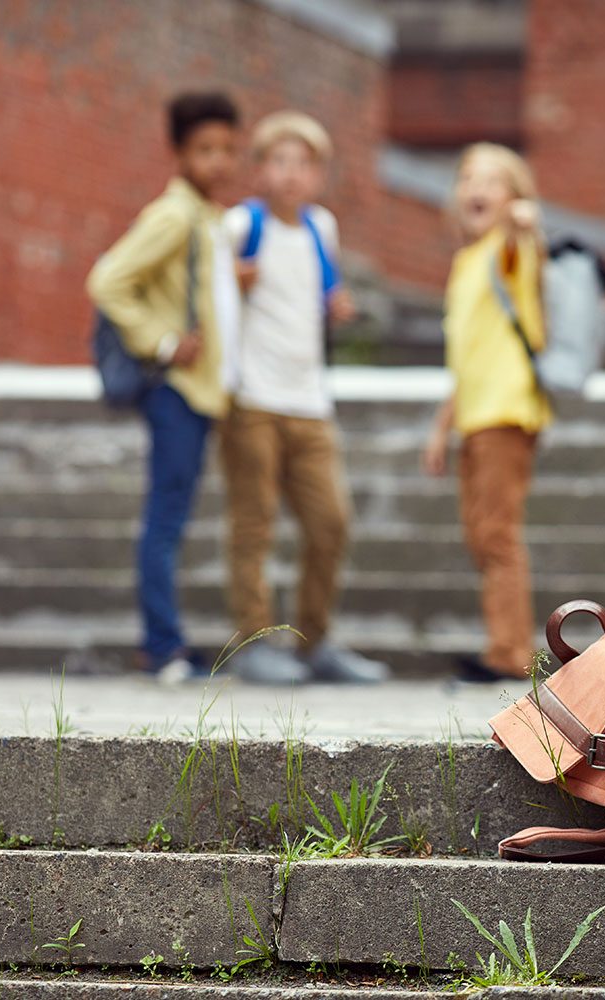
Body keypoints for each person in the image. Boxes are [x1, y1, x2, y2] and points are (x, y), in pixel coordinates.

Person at [217, 111, 389, 685]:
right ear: (261, 169)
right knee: (254, 524)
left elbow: (319, 291)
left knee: (330, 522)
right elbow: (212, 298)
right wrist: (229, 284)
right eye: (280, 161)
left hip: (310, 402)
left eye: (304, 163)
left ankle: (315, 641)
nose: (292, 174)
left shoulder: (323, 227)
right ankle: (254, 641)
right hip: (253, 401)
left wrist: (335, 305)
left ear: (318, 175)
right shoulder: (242, 225)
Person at [87, 92, 241, 683]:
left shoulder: (207, 217)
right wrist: (162, 341)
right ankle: (161, 645)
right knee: (166, 518)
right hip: (175, 391)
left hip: (202, 393)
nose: (220, 161)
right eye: (205, 149)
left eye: (229, 149)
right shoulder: (175, 214)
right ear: (178, 152)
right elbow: (108, 280)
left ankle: (165, 641)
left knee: (172, 514)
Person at [421, 143, 549, 683]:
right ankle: (505, 645)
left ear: (513, 196)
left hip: (506, 410)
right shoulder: (466, 260)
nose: (475, 188)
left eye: (492, 181)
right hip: (474, 414)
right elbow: (466, 355)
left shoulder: (507, 251)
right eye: (467, 177)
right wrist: (441, 426)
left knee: (496, 534)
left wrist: (523, 221)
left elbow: (526, 241)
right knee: (481, 535)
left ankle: (509, 653)